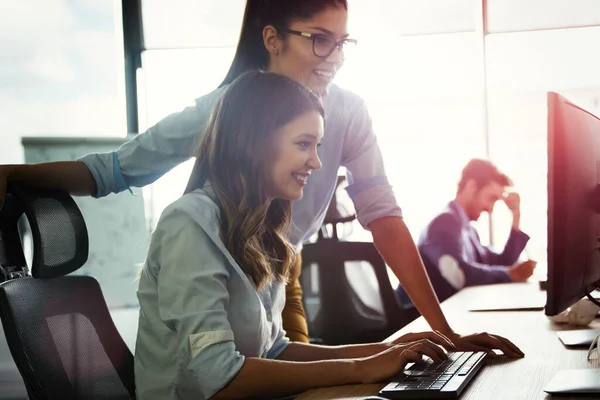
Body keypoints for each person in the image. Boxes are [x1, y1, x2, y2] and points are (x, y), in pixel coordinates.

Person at [0, 0, 523, 355]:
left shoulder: (349, 113)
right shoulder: (225, 109)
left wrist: (444, 332)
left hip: (279, 277)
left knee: (302, 372)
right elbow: (112, 170)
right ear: (271, 38)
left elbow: (382, 215)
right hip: (212, 276)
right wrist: (10, 175)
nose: (334, 59)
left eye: (343, 42)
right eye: (320, 40)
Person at [136, 69, 455, 399]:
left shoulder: (265, 228)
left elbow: (275, 351)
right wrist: (362, 367)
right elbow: (218, 377)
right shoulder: (188, 224)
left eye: (317, 146)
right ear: (253, 142)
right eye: (304, 144)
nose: (316, 163)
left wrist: (381, 350)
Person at [396, 158, 536, 308]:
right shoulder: (444, 222)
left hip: (450, 313)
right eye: (491, 198)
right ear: (471, 186)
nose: (490, 209)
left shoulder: (469, 231)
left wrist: (516, 215)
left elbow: (503, 263)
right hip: (418, 320)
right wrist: (510, 274)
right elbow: (459, 275)